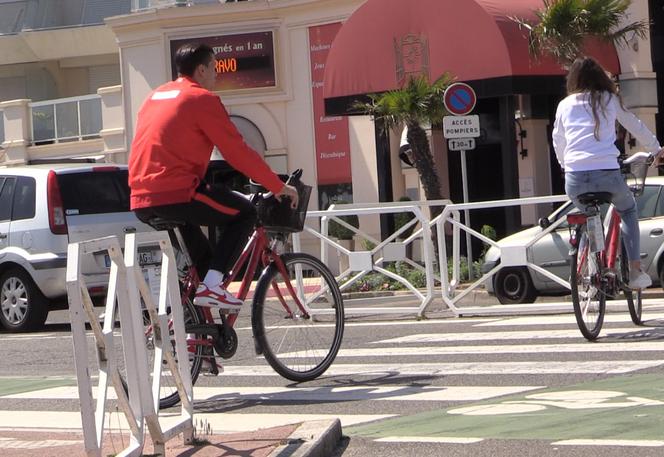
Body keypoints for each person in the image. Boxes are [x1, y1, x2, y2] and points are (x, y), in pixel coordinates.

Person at [128, 42, 298, 312]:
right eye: (215, 67)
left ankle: (203, 342)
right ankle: (212, 287)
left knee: (205, 264)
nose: (217, 74)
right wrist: (278, 186)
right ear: (201, 69)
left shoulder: (154, 97)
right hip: (178, 192)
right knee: (244, 213)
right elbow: (237, 152)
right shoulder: (201, 99)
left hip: (141, 199)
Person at [552, 56, 664, 290]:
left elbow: (558, 139)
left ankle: (593, 259)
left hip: (574, 177)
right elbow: (635, 124)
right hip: (607, 172)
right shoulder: (609, 99)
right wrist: (656, 149)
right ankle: (634, 271)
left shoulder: (564, 104)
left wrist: (565, 165)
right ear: (600, 78)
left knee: (588, 213)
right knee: (629, 210)